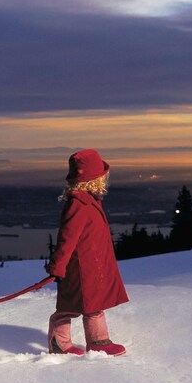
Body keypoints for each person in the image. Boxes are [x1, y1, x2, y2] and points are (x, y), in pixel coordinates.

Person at [46, 149, 129, 356]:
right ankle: (66, 343)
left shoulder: (89, 201)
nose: (104, 178)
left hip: (92, 266)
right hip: (80, 268)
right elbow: (67, 239)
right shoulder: (79, 204)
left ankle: (94, 342)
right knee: (75, 306)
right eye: (102, 175)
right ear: (94, 179)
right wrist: (58, 266)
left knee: (93, 304)